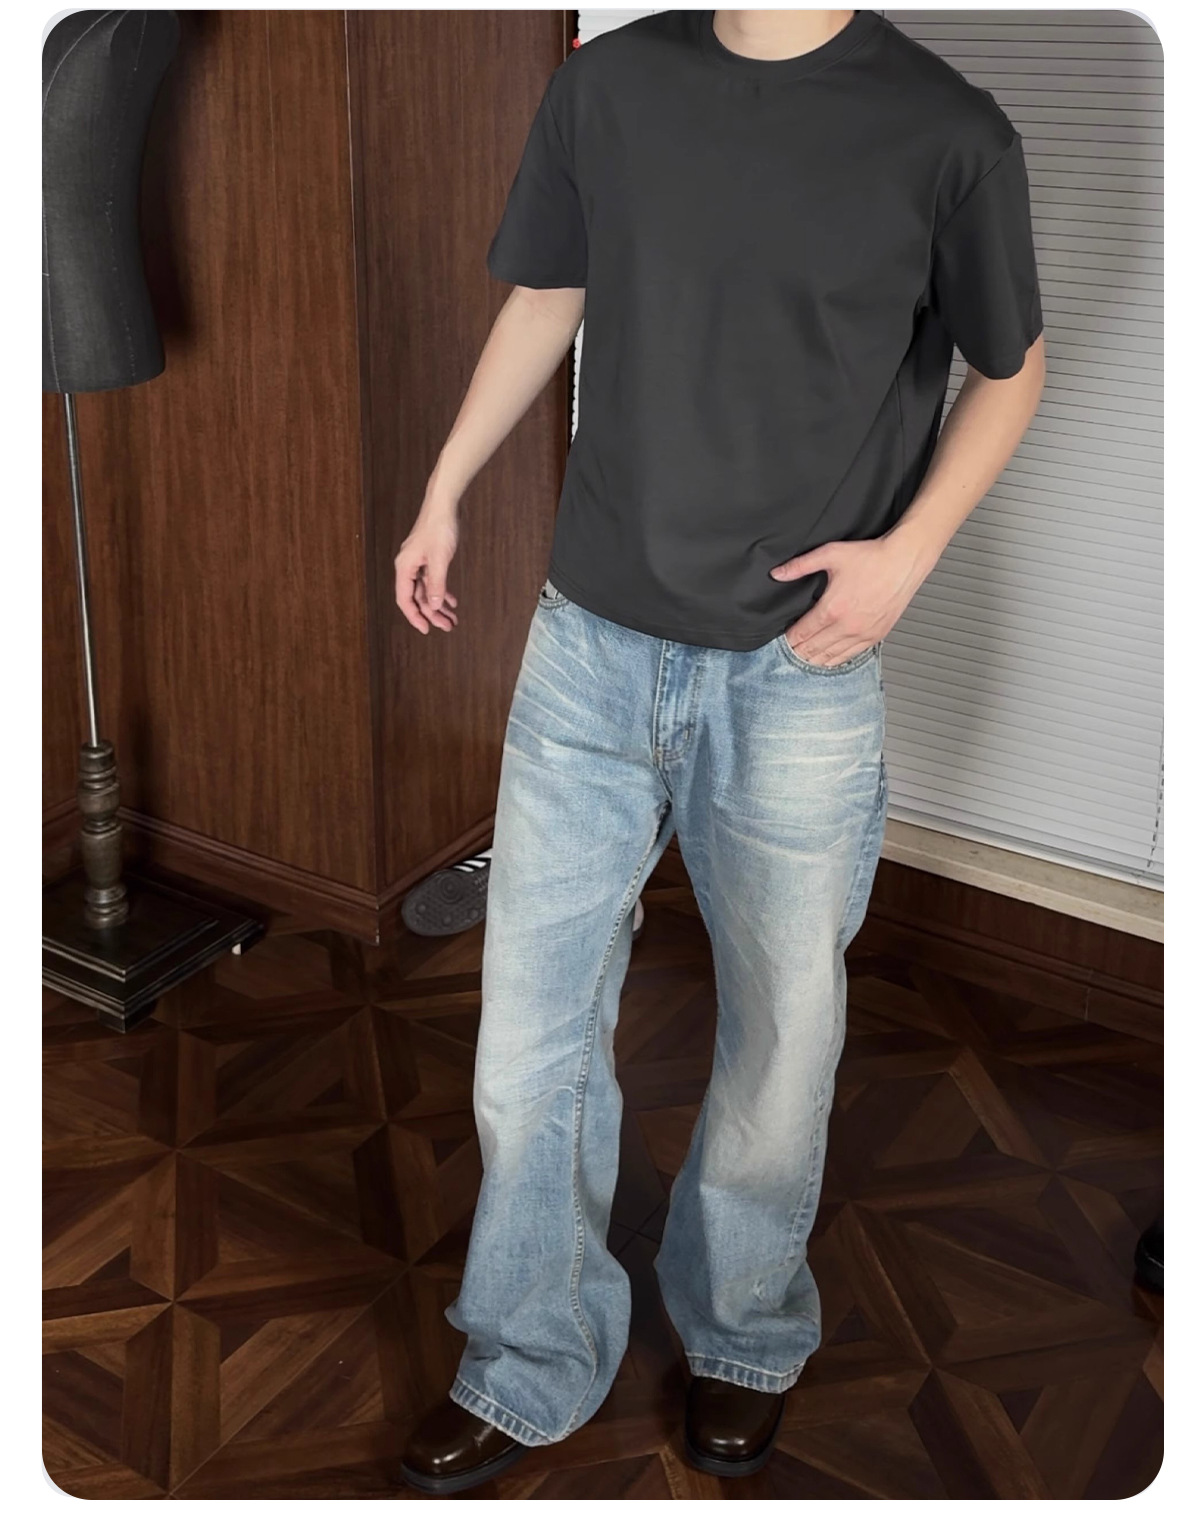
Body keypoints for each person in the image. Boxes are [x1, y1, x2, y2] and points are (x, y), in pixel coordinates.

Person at [395, 9, 1045, 1495]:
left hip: (798, 668)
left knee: (783, 1030)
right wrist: (443, 488)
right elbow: (550, 292)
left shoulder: (949, 134)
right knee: (527, 1039)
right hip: (589, 643)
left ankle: (744, 1331)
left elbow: (1012, 369)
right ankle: (528, 1352)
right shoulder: (608, 86)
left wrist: (906, 559)